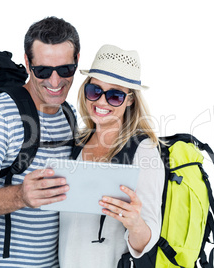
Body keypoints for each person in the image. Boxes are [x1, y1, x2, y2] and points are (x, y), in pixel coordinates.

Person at [0, 17, 80, 267]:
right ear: (28, 63)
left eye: (65, 69)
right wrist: (21, 196)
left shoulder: (69, 114)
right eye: (43, 71)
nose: (55, 82)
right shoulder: (0, 113)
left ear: (77, 60)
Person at [58, 45, 165, 267]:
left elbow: (148, 238)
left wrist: (135, 223)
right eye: (94, 91)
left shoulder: (143, 150)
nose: (101, 102)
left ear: (130, 100)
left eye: (115, 95)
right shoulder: (77, 142)